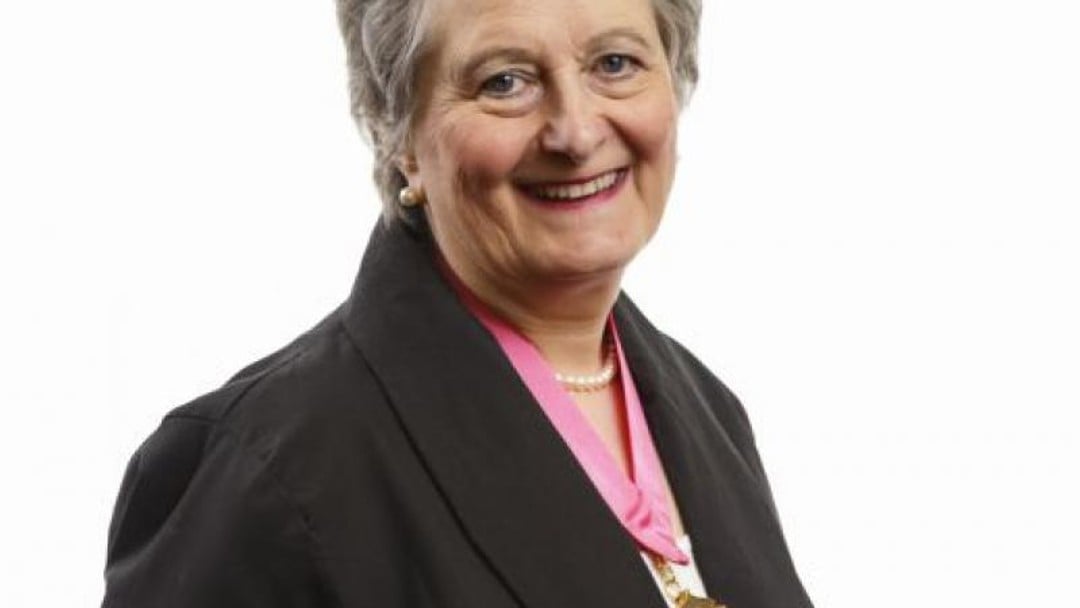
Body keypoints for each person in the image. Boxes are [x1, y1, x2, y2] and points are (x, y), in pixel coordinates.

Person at [101, 0, 813, 606]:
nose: (575, 131)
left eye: (615, 64)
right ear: (399, 134)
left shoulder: (710, 412)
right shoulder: (264, 469)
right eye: (505, 82)